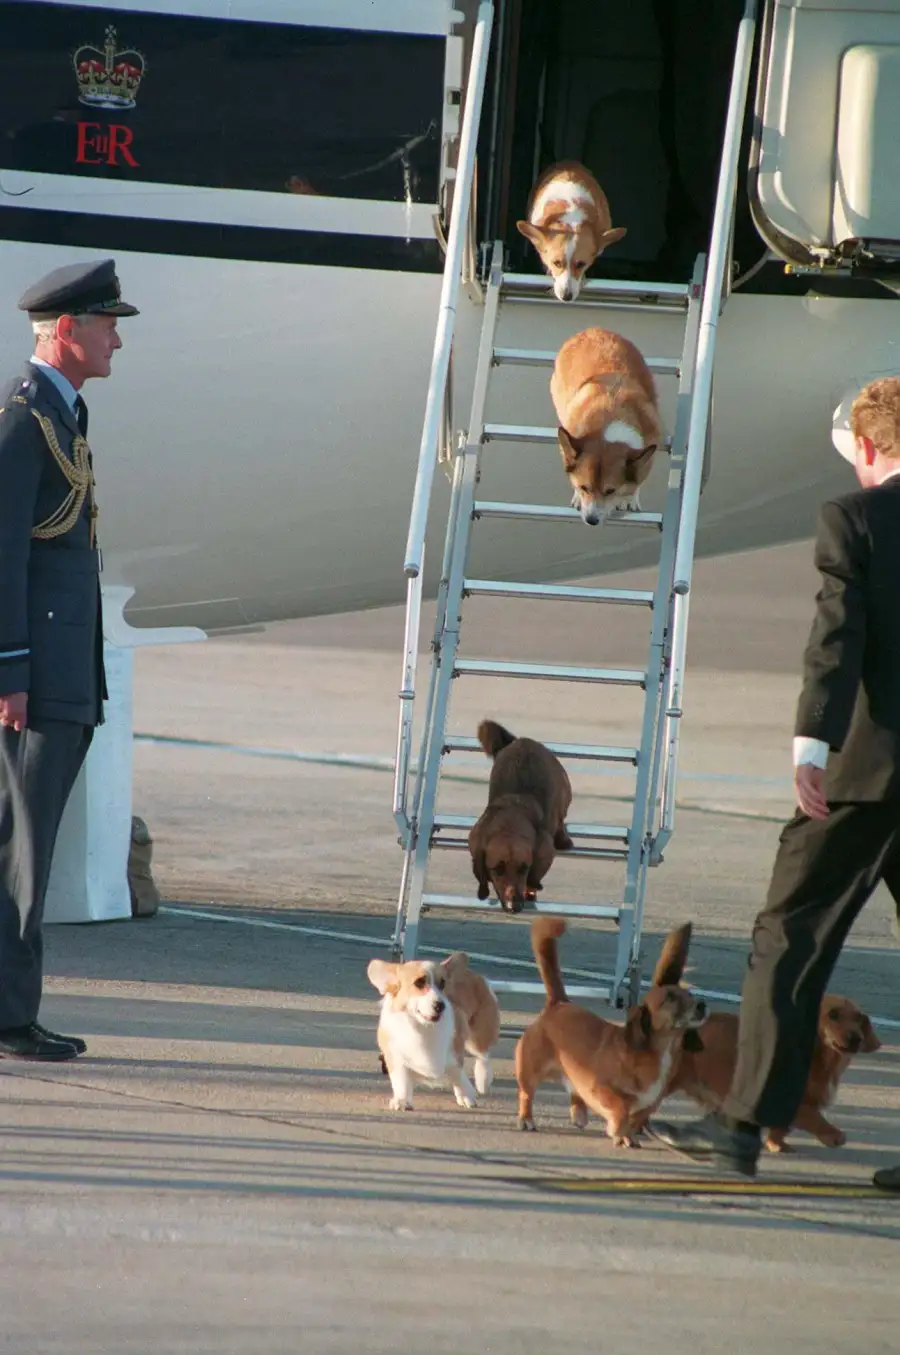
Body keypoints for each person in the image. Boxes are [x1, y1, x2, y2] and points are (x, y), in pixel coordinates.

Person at [648, 375, 900, 1192]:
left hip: (868, 777)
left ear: (868, 447)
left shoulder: (856, 519)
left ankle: (743, 1120)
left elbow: (839, 639)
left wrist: (811, 745)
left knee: (787, 938)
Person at [0, 258, 138, 1061]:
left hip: (60, 675)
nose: (116, 336)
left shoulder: (63, 416)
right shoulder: (25, 421)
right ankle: (13, 1016)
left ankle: (12, 1006)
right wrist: (11, 672)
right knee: (22, 850)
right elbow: (6, 558)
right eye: (105, 322)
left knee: (24, 846)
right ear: (66, 332)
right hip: (33, 683)